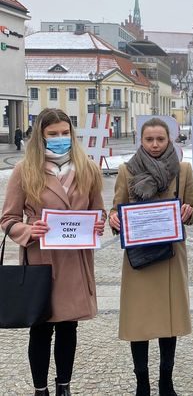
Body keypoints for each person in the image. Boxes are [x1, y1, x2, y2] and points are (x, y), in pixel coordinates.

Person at [0, 108, 105, 396]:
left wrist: (98, 224)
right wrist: (27, 231)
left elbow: (98, 211)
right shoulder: (26, 170)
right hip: (41, 260)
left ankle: (64, 387)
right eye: (53, 134)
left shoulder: (88, 168)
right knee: (42, 327)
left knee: (69, 326)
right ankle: (40, 389)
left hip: (74, 259)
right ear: (41, 137)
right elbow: (8, 219)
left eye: (65, 133)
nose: (60, 138)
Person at [109, 117, 193, 396]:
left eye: (160, 139)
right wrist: (113, 219)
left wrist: (189, 212)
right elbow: (116, 208)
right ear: (141, 140)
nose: (155, 144)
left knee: (167, 322)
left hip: (170, 257)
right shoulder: (127, 170)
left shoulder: (183, 171)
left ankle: (166, 382)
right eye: (149, 139)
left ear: (169, 139)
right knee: (139, 323)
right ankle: (142, 384)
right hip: (139, 258)